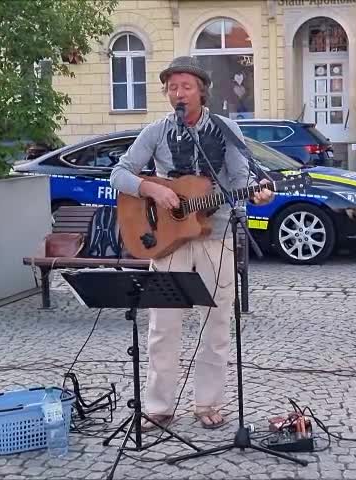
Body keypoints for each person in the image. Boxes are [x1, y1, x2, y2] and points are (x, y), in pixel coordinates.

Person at [109, 56, 273, 430]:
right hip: (167, 242)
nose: (178, 93)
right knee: (163, 326)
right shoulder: (155, 131)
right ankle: (158, 406)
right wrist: (151, 188)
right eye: (172, 87)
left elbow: (241, 179)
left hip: (216, 238)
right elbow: (119, 173)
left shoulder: (227, 129)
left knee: (214, 325)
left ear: (202, 91)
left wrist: (254, 195)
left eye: (186, 86)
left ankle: (207, 404)